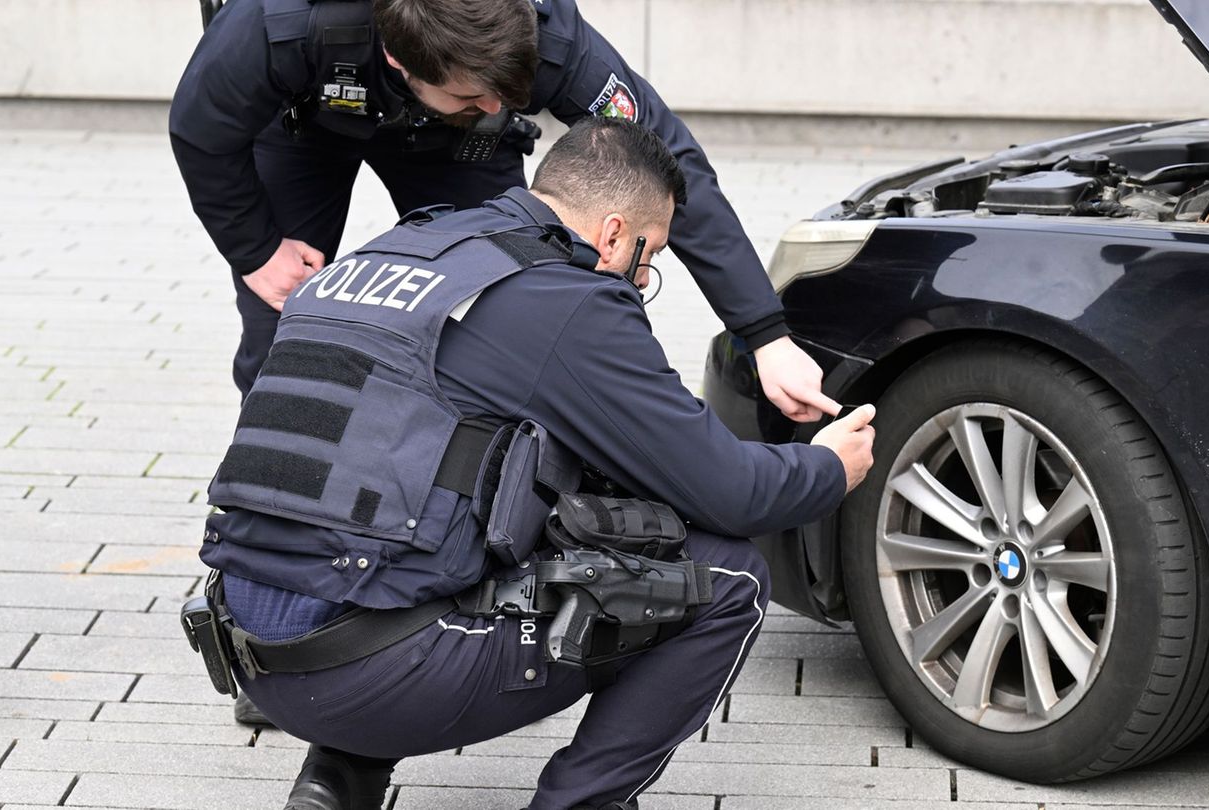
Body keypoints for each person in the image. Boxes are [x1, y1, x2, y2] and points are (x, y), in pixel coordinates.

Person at [191, 117, 875, 810]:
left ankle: (335, 781)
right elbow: (731, 493)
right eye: (649, 256)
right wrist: (828, 468)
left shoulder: (407, 247)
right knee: (727, 577)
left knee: (450, 497)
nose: (643, 279)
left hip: (249, 649)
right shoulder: (567, 297)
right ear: (612, 233)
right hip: (368, 672)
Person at [170, 0, 836, 422]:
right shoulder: (281, 19)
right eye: (475, 94)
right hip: (306, 122)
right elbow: (202, 129)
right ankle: (273, 526)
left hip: (454, 145)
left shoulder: (544, 35)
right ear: (402, 60)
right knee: (284, 329)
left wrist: (765, 334)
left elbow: (666, 162)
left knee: (512, 306)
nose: (496, 106)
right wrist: (255, 250)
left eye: (505, 95)